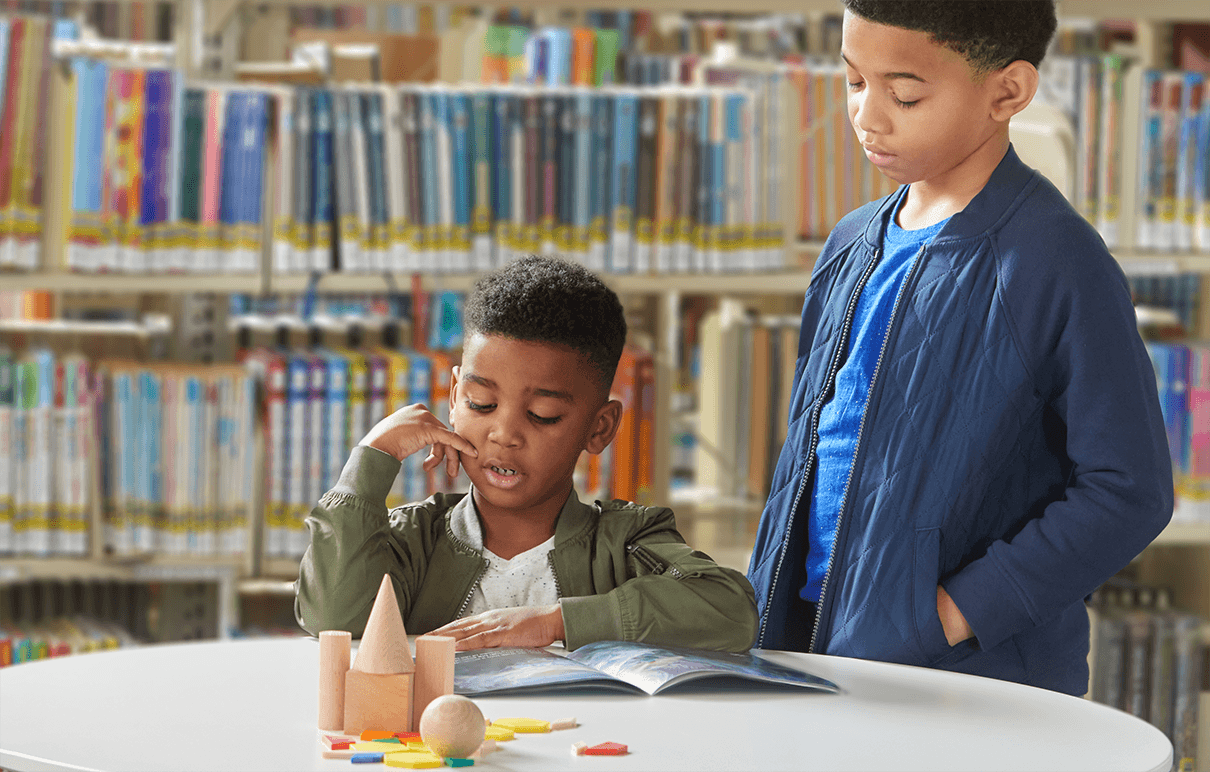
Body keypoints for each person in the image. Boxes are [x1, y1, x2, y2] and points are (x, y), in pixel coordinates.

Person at [747, 0, 1172, 695]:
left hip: (969, 681)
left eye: (905, 94)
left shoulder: (1055, 260)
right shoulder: (852, 241)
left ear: (1008, 92)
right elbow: (817, 448)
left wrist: (945, 615)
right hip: (810, 652)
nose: (867, 116)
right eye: (854, 82)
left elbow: (1130, 490)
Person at [296, 255, 758, 652]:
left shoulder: (626, 542)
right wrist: (371, 459)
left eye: (543, 414)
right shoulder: (414, 539)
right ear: (454, 396)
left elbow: (731, 610)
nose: (504, 434)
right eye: (481, 404)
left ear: (600, 428)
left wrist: (556, 623)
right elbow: (335, 621)